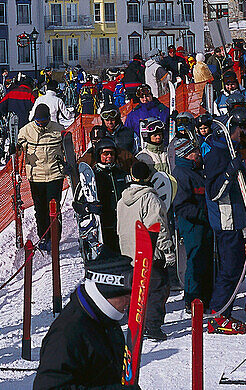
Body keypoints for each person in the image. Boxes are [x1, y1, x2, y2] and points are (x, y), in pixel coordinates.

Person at [34, 255, 133, 390]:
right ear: (107, 292)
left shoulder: (104, 319)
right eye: (126, 295)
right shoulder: (67, 334)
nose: (131, 300)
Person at [117, 160, 174, 340]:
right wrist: (167, 251)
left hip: (129, 251)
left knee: (135, 287)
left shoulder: (123, 198)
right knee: (157, 288)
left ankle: (135, 319)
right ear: (149, 177)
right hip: (149, 251)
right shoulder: (151, 198)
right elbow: (158, 226)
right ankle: (152, 326)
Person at [203, 120, 246, 334]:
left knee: (237, 267)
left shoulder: (233, 151)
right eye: (241, 130)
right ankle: (218, 314)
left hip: (237, 219)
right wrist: (230, 172)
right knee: (229, 269)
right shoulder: (216, 155)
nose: (244, 133)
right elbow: (213, 192)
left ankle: (224, 310)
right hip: (225, 220)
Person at [173, 133, 213, 311]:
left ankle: (204, 295)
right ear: (187, 154)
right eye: (195, 152)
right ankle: (192, 297)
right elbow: (181, 205)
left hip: (203, 223)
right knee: (195, 260)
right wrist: (204, 214)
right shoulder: (181, 174)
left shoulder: (196, 171)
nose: (199, 154)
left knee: (204, 259)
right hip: (192, 224)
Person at [19, 104, 65, 253]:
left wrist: (68, 164)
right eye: (38, 121)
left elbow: (67, 148)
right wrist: (16, 148)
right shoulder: (27, 130)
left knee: (54, 207)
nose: (41, 124)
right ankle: (43, 237)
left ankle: (54, 238)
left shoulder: (58, 129)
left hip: (54, 175)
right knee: (40, 209)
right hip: (36, 176)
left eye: (44, 121)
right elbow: (18, 145)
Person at [87, 136, 129, 256]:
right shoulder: (93, 176)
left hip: (122, 222)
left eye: (111, 154)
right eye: (105, 154)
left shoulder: (122, 174)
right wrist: (89, 207)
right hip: (105, 223)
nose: (109, 157)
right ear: (98, 155)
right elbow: (78, 203)